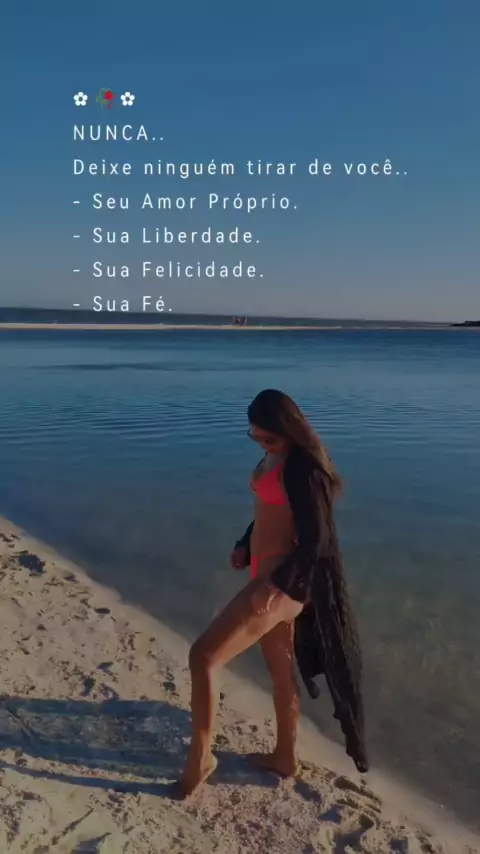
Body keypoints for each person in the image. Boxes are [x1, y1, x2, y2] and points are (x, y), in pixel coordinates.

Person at [180, 389, 368, 797]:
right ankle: (285, 757)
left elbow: (316, 540)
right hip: (265, 573)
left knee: (204, 656)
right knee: (281, 673)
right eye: (256, 436)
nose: (263, 443)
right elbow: (270, 509)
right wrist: (244, 543)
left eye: (269, 438)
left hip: (282, 583)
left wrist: (278, 585)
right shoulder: (275, 458)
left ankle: (201, 757)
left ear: (290, 430)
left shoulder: (304, 468)